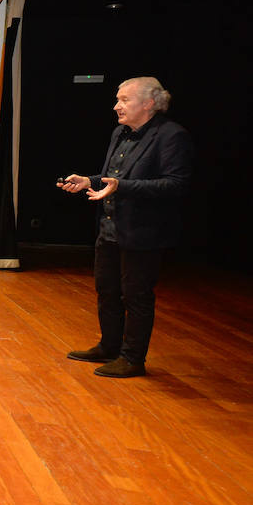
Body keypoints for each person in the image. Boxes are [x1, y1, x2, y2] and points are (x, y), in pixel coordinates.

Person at [58, 76, 195, 378]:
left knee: (136, 296)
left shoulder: (171, 136)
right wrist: (88, 181)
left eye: (124, 100)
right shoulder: (120, 133)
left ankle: (132, 359)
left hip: (143, 232)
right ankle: (109, 346)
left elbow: (176, 184)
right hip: (109, 227)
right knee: (106, 290)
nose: (116, 106)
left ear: (149, 103)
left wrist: (122, 186)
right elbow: (111, 178)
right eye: (118, 99)